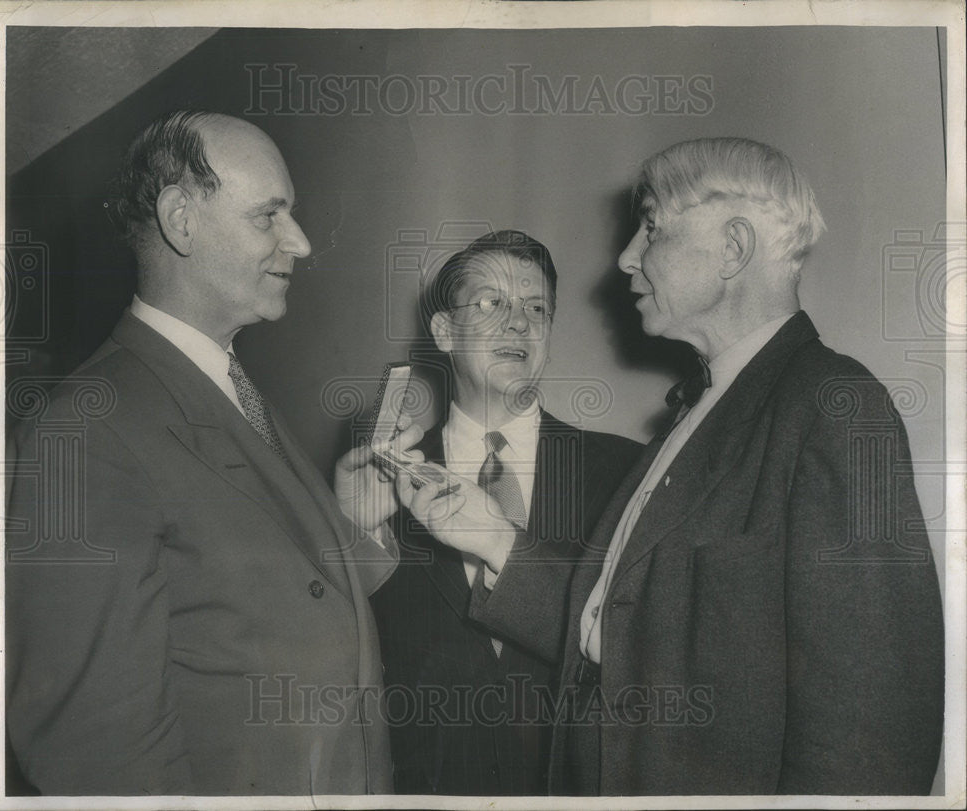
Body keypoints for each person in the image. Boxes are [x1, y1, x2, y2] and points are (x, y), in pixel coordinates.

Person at [397, 138, 945, 795]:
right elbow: (624, 633)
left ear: (734, 248)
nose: (626, 256)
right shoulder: (692, 417)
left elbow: (874, 726)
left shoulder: (833, 407)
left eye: (651, 226)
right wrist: (491, 539)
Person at [5, 110, 420, 795]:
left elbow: (250, 606)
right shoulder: (82, 430)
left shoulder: (225, 383)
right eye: (269, 216)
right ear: (182, 219)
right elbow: (99, 749)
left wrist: (351, 525)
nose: (303, 242)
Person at [370, 231, 641, 795]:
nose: (519, 323)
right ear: (443, 331)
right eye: (491, 304)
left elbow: (646, 646)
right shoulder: (379, 484)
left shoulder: (626, 472)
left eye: (536, 308)